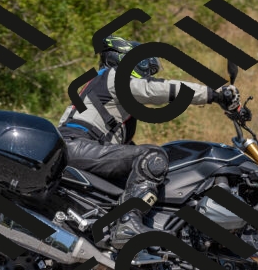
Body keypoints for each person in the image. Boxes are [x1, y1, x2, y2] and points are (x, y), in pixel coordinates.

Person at [57, 35, 240, 249]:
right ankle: (127, 222)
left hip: (77, 147)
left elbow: (124, 152)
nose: (147, 74)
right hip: (78, 145)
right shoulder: (112, 76)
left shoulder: (103, 92)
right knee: (152, 156)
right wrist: (213, 94)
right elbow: (153, 90)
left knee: (145, 164)